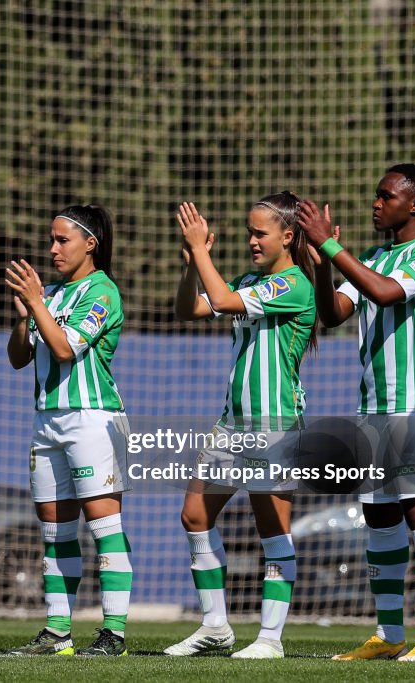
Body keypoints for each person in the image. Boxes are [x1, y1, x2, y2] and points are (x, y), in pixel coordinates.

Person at [298, 163, 415, 662]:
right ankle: (389, 635)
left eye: (386, 196)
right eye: (375, 195)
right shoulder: (368, 256)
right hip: (374, 407)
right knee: (378, 514)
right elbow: (332, 314)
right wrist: (323, 265)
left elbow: (387, 292)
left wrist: (330, 247)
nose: (376, 203)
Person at [164, 193, 316, 659]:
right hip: (232, 424)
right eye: (249, 232)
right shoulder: (252, 279)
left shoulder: (294, 284)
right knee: (195, 515)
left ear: (287, 237)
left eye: (260, 233)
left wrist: (203, 251)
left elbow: (225, 301)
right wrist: (193, 261)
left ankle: (270, 639)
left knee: (272, 528)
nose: (251, 240)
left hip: (273, 423)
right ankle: (215, 626)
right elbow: (190, 309)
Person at [5, 204, 133, 657]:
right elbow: (19, 357)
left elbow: (63, 350)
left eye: (63, 240)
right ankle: (57, 631)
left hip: (93, 419)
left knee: (104, 526)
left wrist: (37, 303)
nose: (53, 248)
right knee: (55, 531)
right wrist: (25, 315)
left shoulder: (103, 291)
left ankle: (113, 632)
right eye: (52, 239)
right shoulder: (52, 293)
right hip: (47, 420)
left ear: (90, 244)